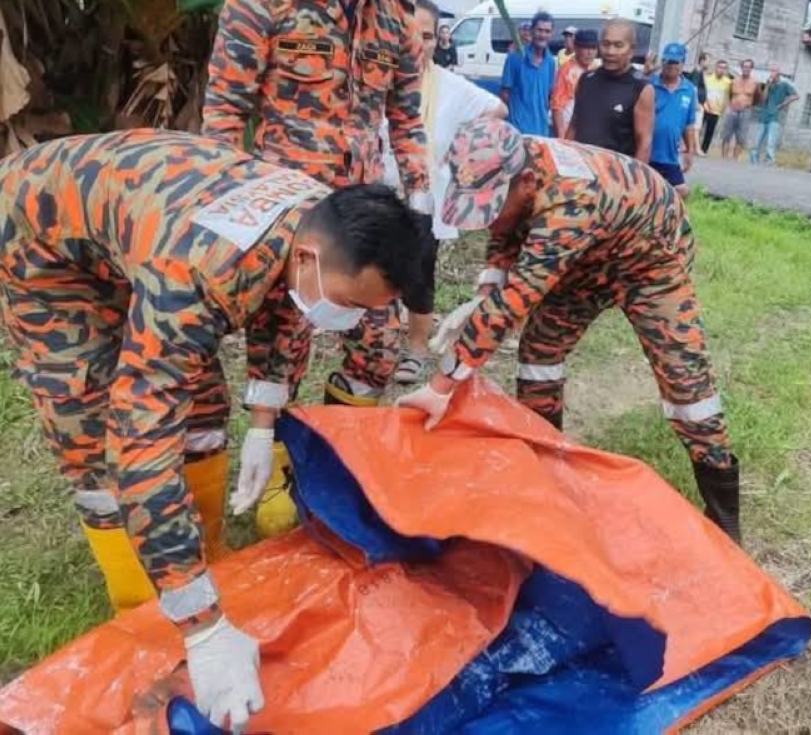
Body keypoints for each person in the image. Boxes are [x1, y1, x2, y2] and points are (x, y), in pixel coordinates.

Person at [0, 130, 427, 730]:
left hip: (144, 219)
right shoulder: (198, 274)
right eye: (350, 303)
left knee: (201, 404)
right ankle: (150, 611)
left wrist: (261, 423)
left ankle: (207, 563)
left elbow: (284, 311)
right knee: (95, 432)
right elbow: (138, 446)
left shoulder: (316, 221)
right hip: (41, 236)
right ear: (309, 257)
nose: (352, 320)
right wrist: (202, 631)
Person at [397, 118, 743, 545]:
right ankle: (547, 472)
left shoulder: (570, 200)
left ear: (524, 182)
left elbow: (517, 300)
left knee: (686, 384)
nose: (489, 218)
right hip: (585, 259)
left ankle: (725, 513)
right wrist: (486, 291)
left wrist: (442, 384)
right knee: (539, 355)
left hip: (649, 262)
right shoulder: (511, 167)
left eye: (493, 202)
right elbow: (505, 230)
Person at [202, 0, 433, 411]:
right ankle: (275, 456)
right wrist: (228, 210)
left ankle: (335, 455)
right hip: (290, 216)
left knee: (377, 349)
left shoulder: (398, 19)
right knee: (276, 353)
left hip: (365, 221)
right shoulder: (262, 6)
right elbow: (225, 113)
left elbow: (407, 120)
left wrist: (419, 205)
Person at [382, 0, 508, 383]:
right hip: (377, 193)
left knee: (419, 276)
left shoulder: (451, 87)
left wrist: (457, 153)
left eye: (428, 36)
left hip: (424, 197)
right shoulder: (378, 77)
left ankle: (417, 350)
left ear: (438, 40)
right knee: (376, 270)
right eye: (412, 35)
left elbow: (498, 110)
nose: (420, 44)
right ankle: (380, 348)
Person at [568, 20, 654, 163]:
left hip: (615, 178)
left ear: (631, 50)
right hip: (581, 171)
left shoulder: (641, 88)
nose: (610, 52)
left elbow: (644, 143)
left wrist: (633, 182)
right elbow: (574, 125)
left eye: (618, 45)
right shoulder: (586, 80)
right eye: (606, 44)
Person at [650, 42, 699, 198]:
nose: (670, 66)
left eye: (675, 62)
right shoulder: (650, 84)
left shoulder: (689, 90)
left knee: (682, 192)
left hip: (670, 156)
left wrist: (689, 151)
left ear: (682, 64)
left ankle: (671, 221)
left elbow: (689, 124)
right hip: (647, 153)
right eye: (667, 61)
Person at [500, 11, 557, 136]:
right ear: (532, 31)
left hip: (542, 132)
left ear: (552, 34)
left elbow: (549, 96)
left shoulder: (551, 62)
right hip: (518, 131)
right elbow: (505, 94)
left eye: (547, 31)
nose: (543, 35)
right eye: (539, 30)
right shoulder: (515, 58)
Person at [552, 29, 599, 139]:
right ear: (576, 48)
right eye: (586, 48)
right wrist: (562, 139)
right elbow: (557, 107)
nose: (590, 52)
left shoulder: (597, 69)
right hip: (570, 134)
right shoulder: (566, 71)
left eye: (593, 48)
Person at [750, 63, 799, 166]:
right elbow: (763, 99)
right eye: (771, 71)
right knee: (757, 140)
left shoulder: (785, 84)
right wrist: (767, 85)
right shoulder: (769, 85)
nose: (772, 73)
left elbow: (796, 96)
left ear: (779, 73)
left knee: (770, 141)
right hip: (764, 115)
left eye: (774, 71)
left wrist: (783, 104)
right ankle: (754, 159)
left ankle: (769, 160)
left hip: (775, 116)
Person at [720, 59, 758, 161]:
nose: (746, 69)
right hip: (732, 110)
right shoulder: (734, 81)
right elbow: (729, 94)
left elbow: (759, 98)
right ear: (741, 68)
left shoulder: (755, 83)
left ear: (751, 69)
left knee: (741, 137)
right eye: (744, 66)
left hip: (745, 111)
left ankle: (735, 159)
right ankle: (724, 158)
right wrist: (729, 106)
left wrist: (749, 105)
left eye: (748, 67)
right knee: (726, 134)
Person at [702, 59, 732, 154]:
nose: (721, 69)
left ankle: (704, 150)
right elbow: (703, 93)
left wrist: (725, 108)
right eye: (720, 67)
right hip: (704, 108)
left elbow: (729, 95)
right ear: (716, 67)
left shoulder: (728, 82)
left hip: (716, 111)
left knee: (709, 132)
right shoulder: (707, 78)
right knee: (697, 129)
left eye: (724, 68)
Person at [685, 51, 710, 151]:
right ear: (702, 61)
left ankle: (694, 148)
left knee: (695, 127)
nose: (709, 64)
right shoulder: (697, 72)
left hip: (699, 102)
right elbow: (694, 88)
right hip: (697, 103)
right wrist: (696, 103)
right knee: (696, 127)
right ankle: (696, 149)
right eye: (708, 61)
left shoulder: (699, 72)